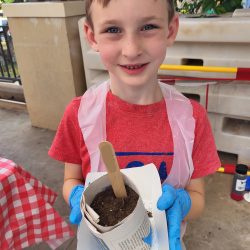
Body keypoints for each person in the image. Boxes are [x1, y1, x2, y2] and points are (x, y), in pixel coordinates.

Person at [49, 0, 221, 249]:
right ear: (92, 35)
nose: (131, 50)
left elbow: (198, 198)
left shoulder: (191, 119)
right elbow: (71, 180)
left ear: (171, 30)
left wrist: (182, 204)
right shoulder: (80, 115)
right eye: (113, 30)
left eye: (148, 26)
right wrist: (76, 196)